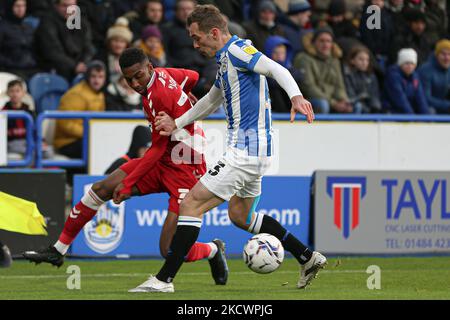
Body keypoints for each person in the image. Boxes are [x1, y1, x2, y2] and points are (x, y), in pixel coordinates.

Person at [136, 4, 325, 293]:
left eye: (197, 37)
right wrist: (177, 123)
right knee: (241, 216)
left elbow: (276, 68)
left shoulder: (238, 51)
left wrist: (296, 97)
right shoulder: (226, 61)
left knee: (190, 204)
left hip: (246, 151)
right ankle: (307, 256)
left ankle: (164, 280)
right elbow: (211, 100)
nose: (194, 44)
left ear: (214, 32)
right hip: (258, 152)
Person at [23, 48, 229, 289]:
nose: (134, 83)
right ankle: (58, 250)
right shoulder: (163, 75)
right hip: (163, 161)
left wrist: (128, 185)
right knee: (101, 188)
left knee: (169, 249)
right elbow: (192, 76)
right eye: (128, 78)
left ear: (150, 68)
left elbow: (155, 150)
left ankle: (213, 250)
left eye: (138, 76)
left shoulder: (160, 95)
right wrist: (186, 97)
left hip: (186, 168)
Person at [53, 61, 107, 159]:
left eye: (100, 77)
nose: (97, 81)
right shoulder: (76, 94)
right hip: (67, 142)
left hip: (87, 138)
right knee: (97, 148)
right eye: (93, 76)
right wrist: (89, 133)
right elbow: (64, 123)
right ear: (87, 77)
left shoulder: (100, 94)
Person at [294, 27, 352, 113]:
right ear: (313, 43)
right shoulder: (303, 58)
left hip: (331, 100)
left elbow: (339, 86)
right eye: (321, 41)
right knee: (323, 104)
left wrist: (343, 100)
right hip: (309, 99)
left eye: (328, 41)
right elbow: (309, 87)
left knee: (353, 106)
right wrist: (333, 103)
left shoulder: (335, 60)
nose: (325, 45)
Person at [34, 0, 95, 81]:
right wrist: (74, 66)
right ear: (56, 6)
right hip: (56, 69)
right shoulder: (47, 23)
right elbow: (53, 52)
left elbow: (89, 47)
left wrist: (83, 64)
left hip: (80, 66)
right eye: (64, 6)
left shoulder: (82, 22)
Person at [0, 0, 39, 80]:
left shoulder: (28, 27)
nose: (21, 9)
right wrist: (9, 63)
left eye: (23, 6)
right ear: (10, 7)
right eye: (17, 6)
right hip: (11, 69)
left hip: (32, 68)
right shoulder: (2, 28)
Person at [383, 48, 430, 114]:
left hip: (409, 112)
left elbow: (421, 99)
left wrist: (428, 118)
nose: (409, 66)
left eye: (412, 63)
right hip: (393, 111)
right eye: (406, 63)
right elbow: (400, 100)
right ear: (400, 64)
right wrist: (412, 118)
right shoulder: (393, 76)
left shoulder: (415, 77)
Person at [343, 45, 382, 113]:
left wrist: (375, 107)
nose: (364, 63)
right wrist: (363, 97)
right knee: (358, 106)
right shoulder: (347, 75)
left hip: (368, 107)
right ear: (352, 60)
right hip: (354, 107)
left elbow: (375, 96)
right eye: (361, 59)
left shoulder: (372, 76)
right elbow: (350, 97)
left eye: (367, 60)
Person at [418, 39, 450, 114]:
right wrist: (447, 105)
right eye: (443, 54)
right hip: (429, 109)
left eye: (449, 54)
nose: (447, 58)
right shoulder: (426, 70)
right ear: (436, 55)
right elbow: (426, 98)